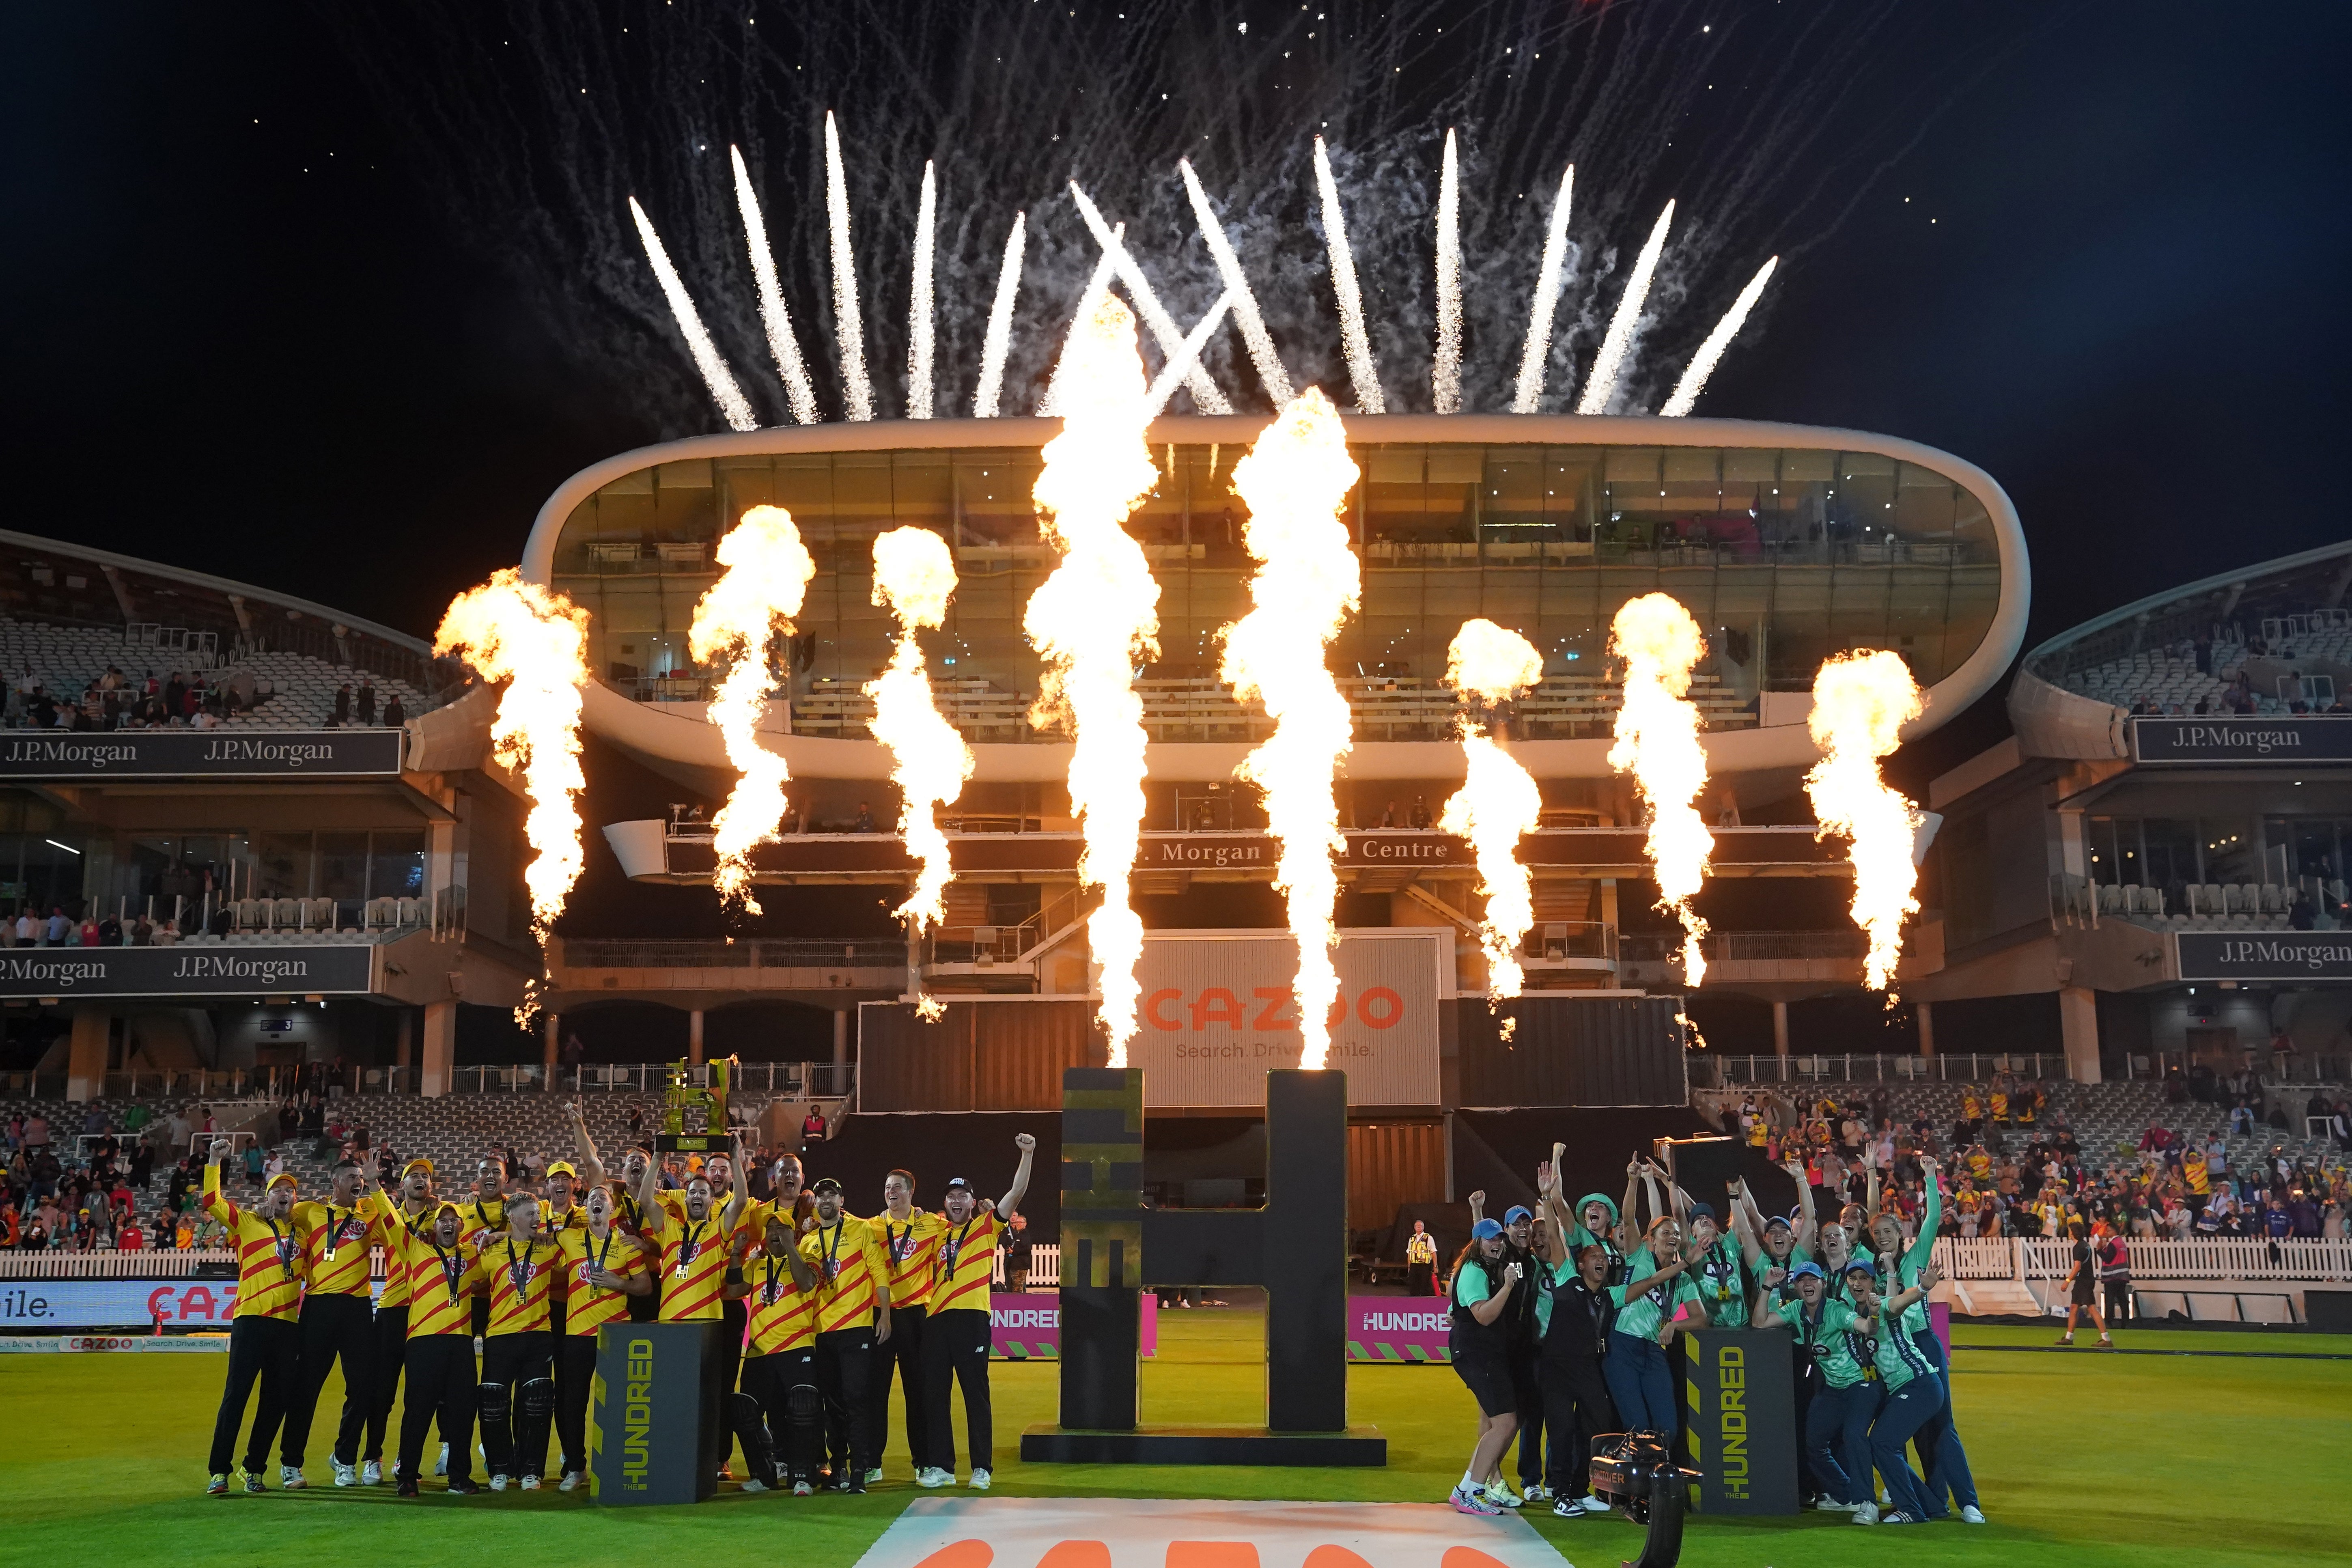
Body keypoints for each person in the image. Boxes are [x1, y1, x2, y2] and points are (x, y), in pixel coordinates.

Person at [1867, 1156, 1983, 1523]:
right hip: (1894, 1353)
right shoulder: (1874, 1268)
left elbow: (1933, 1218)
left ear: (1900, 1233)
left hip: (1922, 1342)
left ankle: (1967, 1502)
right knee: (1901, 1429)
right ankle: (1927, 1500)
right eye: (1877, 1234)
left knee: (1942, 1427)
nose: (1883, 1237)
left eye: (1888, 1232)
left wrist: (1931, 1177)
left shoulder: (1916, 1253)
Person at [917, 1134, 1034, 1491]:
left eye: (962, 1196)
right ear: (945, 1202)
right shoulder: (935, 1233)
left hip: (972, 1319)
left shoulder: (986, 1226)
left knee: (975, 1394)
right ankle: (943, 1467)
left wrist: (1027, 1154)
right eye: (951, 1196)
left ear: (972, 1201)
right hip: (936, 1320)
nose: (956, 1200)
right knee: (935, 1395)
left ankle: (982, 1467)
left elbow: (1016, 1193)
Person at [200, 1141, 306, 1496]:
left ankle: (254, 1468)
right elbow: (212, 1202)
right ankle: (219, 1472)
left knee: (275, 1403)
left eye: (290, 1190)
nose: (284, 1194)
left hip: (287, 1327)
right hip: (250, 1321)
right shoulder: (247, 1222)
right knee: (236, 1398)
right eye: (278, 1189)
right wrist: (215, 1160)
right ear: (267, 1195)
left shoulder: (303, 1236)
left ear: (296, 1199)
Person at [280, 1156, 387, 1489]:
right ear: (336, 1182)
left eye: (361, 1177)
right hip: (318, 1306)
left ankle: (345, 1460)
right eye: (353, 1177)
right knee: (306, 1388)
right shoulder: (309, 1210)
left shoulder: (370, 1210)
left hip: (357, 1308)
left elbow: (398, 1228)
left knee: (361, 1388)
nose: (359, 1181)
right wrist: (265, 1208)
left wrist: (377, 1186)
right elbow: (278, 1213)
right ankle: (291, 1464)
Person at [551, 1182, 650, 1490]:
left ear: (612, 1209)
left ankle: (616, 1463)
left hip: (615, 1334)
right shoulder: (568, 1238)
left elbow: (645, 1286)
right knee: (573, 1402)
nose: (597, 1201)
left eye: (603, 1198)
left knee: (619, 1403)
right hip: (577, 1334)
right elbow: (534, 1240)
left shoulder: (626, 1245)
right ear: (585, 1208)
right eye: (591, 1198)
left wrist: (619, 1283)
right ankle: (576, 1467)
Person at [1755, 1262, 1877, 1514]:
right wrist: (1767, 1286)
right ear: (1796, 1287)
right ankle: (1847, 1496)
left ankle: (1868, 1502)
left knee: (1854, 1436)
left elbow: (1867, 1328)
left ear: (1823, 1284)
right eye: (1802, 1281)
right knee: (1814, 1443)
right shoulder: (1796, 1309)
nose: (1808, 1285)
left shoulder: (1836, 1311)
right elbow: (1759, 1323)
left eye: (1813, 1280)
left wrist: (1873, 1314)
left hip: (1861, 1384)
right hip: (1833, 1388)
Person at [1533, 1176, 1620, 1519]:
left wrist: (1683, 1264)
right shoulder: (1568, 1277)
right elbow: (1554, 1234)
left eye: (1604, 1257)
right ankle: (1560, 1493)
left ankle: (1581, 1490)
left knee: (1597, 1424)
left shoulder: (1607, 1296)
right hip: (1556, 1367)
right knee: (1562, 1430)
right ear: (1581, 1263)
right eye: (1594, 1256)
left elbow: (1645, 1284)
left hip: (1587, 1368)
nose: (1601, 1260)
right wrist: (1546, 1197)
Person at [390, 1200, 486, 1498]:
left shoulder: (472, 1255)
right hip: (424, 1341)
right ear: (434, 1227)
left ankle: (459, 1477)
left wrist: (498, 1237)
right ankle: (407, 1476)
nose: (448, 1224)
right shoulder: (416, 1250)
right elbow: (391, 1220)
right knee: (417, 1412)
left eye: (454, 1220)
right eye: (442, 1220)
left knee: (462, 1413)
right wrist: (375, 1185)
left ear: (462, 1226)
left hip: (461, 1343)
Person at [726, 1206, 824, 1493]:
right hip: (760, 1351)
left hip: (797, 1346)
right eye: (770, 1230)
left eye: (780, 1229)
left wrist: (792, 1247)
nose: (774, 1234)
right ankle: (764, 1474)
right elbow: (734, 1290)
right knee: (745, 1411)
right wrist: (736, 1254)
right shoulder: (758, 1266)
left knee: (802, 1408)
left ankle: (802, 1475)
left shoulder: (809, 1259)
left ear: (792, 1234)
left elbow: (806, 1284)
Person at [802, 1175, 888, 1492]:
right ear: (817, 1203)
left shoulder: (861, 1229)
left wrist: (885, 1315)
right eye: (821, 1196)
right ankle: (837, 1468)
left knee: (857, 1400)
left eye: (832, 1196)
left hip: (857, 1329)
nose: (827, 1201)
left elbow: (879, 1271)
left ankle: (859, 1471)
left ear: (842, 1202)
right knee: (832, 1404)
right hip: (823, 1332)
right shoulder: (807, 1241)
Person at [474, 1193, 566, 1490]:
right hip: (500, 1336)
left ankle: (532, 1471)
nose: (537, 1219)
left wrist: (544, 1234)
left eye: (538, 1213)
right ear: (513, 1218)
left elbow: (577, 1237)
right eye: (530, 1214)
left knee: (537, 1405)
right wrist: (495, 1236)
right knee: (493, 1406)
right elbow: (472, 1280)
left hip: (539, 1336)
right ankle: (499, 1469)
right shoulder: (492, 1250)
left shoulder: (548, 1248)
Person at [1848, 1257, 1945, 1526]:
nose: (1857, 1283)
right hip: (1912, 1387)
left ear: (1873, 1283)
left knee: (1882, 1442)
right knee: (1883, 1445)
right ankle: (1930, 1505)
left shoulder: (1883, 1305)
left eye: (1863, 1278)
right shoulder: (1857, 1316)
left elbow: (1900, 1302)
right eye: (1852, 1278)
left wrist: (1923, 1290)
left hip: (1919, 1384)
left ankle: (1912, 1510)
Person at [866, 1168, 945, 1484]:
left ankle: (924, 1463)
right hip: (880, 1315)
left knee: (918, 1392)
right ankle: (871, 1463)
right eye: (887, 1187)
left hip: (917, 1316)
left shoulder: (931, 1224)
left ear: (912, 1192)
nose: (891, 1191)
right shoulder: (870, 1226)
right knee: (875, 1392)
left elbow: (960, 1230)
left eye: (898, 1187)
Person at [364, 1158, 438, 1480]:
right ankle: (372, 1457)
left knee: (418, 1393)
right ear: (402, 1186)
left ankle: (404, 1460)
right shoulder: (386, 1216)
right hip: (393, 1308)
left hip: (426, 1311)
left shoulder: (442, 1215)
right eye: (415, 1176)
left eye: (426, 1176)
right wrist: (370, 1184)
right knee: (382, 1391)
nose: (422, 1179)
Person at [1445, 1217, 1523, 1516]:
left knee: (1500, 1423)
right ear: (1478, 1242)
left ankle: (1466, 1488)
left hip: (1481, 1352)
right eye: (1492, 1239)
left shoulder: (1481, 1268)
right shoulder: (1475, 1270)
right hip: (1477, 1353)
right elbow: (1483, 1316)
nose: (1499, 1244)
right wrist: (1507, 1287)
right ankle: (1474, 1491)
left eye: (1501, 1240)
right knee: (1505, 1423)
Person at [1604, 1215, 1705, 1440]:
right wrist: (1633, 1182)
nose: (1673, 1237)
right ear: (1652, 1239)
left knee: (1668, 1428)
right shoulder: (1639, 1257)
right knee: (1637, 1427)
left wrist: (1675, 1325)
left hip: (1655, 1351)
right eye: (1666, 1233)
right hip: (1623, 1347)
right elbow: (1630, 1219)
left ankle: (1660, 1472)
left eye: (1677, 1234)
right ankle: (1639, 1473)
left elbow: (1701, 1319)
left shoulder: (1684, 1281)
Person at [2057, 1221, 2114, 1348]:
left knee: (2092, 1308)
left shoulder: (2078, 1248)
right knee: (2074, 1308)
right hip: (2085, 1281)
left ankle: (2106, 1339)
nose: (2069, 1233)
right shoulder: (2086, 1245)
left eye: (2070, 1231)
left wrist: (2067, 1281)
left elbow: (2077, 1267)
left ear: (2073, 1233)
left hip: (2084, 1281)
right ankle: (2069, 1337)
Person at [1405, 1219, 1439, 1296]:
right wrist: (1409, 1267)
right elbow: (1409, 1253)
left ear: (1423, 1227)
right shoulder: (1412, 1239)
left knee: (1424, 1285)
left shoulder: (1428, 1238)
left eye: (1420, 1226)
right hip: (1414, 1265)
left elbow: (1434, 1252)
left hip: (1424, 1265)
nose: (1418, 1227)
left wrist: (1435, 1266)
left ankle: (1424, 1301)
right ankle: (1414, 1300)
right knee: (1413, 1285)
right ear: (1414, 1228)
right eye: (1417, 1226)